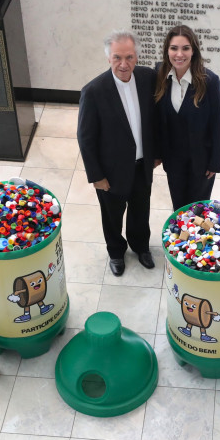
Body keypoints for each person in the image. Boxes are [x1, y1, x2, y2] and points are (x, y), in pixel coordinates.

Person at [77, 31, 157, 276]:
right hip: (110, 172)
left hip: (142, 165)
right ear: (108, 59)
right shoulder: (93, 91)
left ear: (137, 57)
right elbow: (86, 138)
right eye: (117, 58)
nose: (124, 64)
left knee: (140, 210)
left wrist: (157, 153)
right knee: (112, 215)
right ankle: (115, 252)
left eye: (129, 57)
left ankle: (141, 246)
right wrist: (96, 176)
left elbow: (156, 120)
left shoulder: (148, 78)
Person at [154, 24, 220, 211]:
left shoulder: (209, 81)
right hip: (173, 159)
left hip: (201, 161)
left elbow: (217, 124)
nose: (179, 54)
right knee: (179, 207)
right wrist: (157, 153)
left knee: (198, 211)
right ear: (167, 50)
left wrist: (216, 161)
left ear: (193, 50)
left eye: (185, 48)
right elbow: (156, 120)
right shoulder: (159, 75)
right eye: (174, 48)